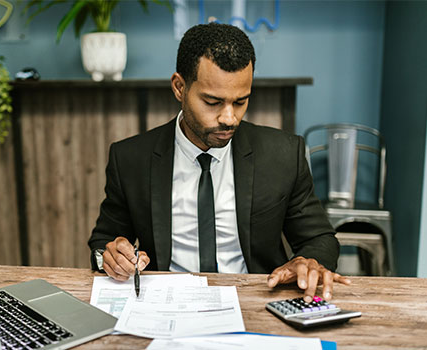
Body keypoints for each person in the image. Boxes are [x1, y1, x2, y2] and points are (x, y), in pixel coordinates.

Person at [88, 23, 350, 303]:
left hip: (257, 301)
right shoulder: (130, 158)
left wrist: (308, 260)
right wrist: (110, 257)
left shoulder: (284, 154)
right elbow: (103, 242)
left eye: (240, 102)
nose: (229, 118)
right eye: (212, 102)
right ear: (179, 87)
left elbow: (320, 239)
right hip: (165, 302)